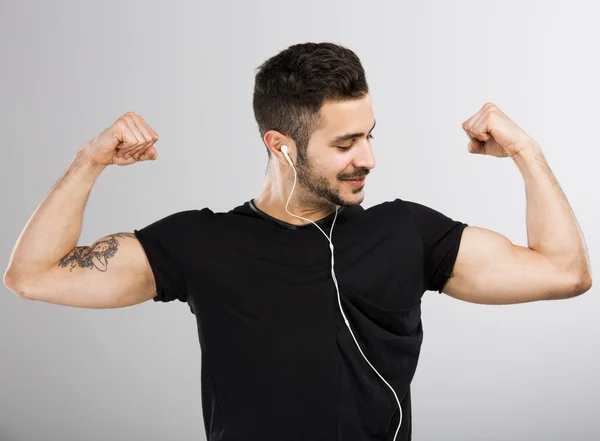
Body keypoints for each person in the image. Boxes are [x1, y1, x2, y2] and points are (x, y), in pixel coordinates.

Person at [3, 42, 592, 441]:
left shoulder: (406, 231)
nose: (368, 158)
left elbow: (565, 273)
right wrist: (89, 161)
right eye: (344, 144)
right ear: (281, 144)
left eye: (369, 135)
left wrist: (526, 153)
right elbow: (33, 274)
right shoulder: (202, 242)